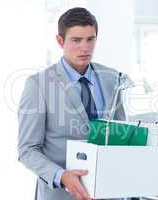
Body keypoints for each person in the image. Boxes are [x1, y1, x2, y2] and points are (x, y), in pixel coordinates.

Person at [18, 7, 127, 200]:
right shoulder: (39, 85)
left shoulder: (112, 78)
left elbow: (122, 133)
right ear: (60, 41)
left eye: (90, 39)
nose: (85, 48)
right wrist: (62, 176)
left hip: (108, 193)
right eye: (76, 40)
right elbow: (27, 150)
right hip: (61, 194)